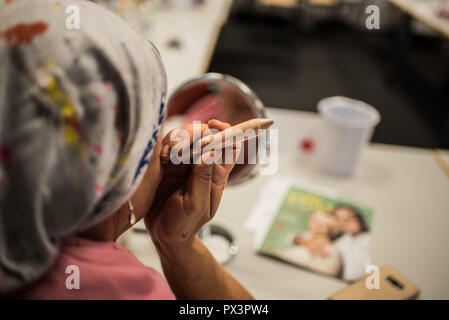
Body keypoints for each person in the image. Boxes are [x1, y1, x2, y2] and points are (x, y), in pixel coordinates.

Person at [0, 0, 252, 300]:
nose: (166, 145)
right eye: (154, 133)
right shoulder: (119, 290)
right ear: (114, 172)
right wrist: (182, 248)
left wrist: (175, 241)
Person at [279, 211, 341, 277]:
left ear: (332, 230)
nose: (317, 227)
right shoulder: (306, 237)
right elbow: (292, 237)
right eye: (315, 222)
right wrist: (304, 241)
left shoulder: (332, 252)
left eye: (324, 225)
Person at [331, 205, 371, 281]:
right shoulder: (340, 242)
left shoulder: (371, 238)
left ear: (359, 218)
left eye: (348, 219)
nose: (344, 223)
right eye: (339, 219)